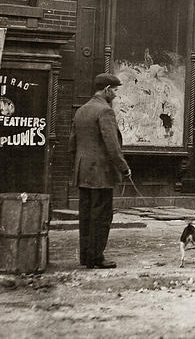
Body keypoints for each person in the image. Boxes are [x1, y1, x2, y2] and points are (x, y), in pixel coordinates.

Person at [70, 73, 131, 269]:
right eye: (114, 91)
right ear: (106, 90)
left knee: (86, 214)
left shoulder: (81, 110)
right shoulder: (105, 111)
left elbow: (72, 145)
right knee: (102, 215)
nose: (115, 95)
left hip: (83, 171)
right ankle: (97, 258)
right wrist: (124, 168)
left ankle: (86, 257)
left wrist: (81, 165)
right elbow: (112, 145)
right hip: (101, 173)